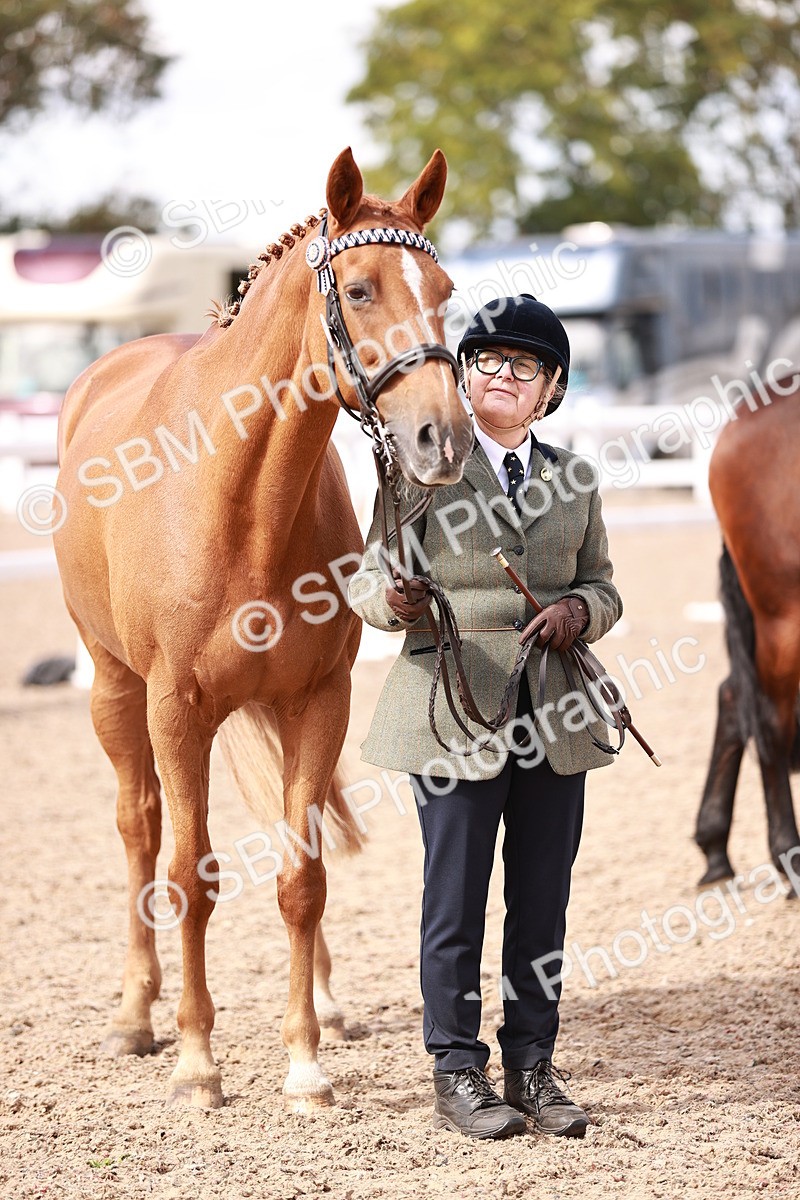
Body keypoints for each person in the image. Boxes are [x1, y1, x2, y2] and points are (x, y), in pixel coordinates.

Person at [348, 294, 622, 1140]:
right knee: (455, 902)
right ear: (464, 377)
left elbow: (606, 584)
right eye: (486, 362)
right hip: (455, 707)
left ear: (553, 389)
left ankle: (533, 1067)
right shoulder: (421, 464)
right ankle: (457, 1070)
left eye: (522, 366)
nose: (500, 375)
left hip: (554, 711)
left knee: (542, 903)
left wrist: (582, 610)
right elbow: (364, 581)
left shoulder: (575, 475)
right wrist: (391, 597)